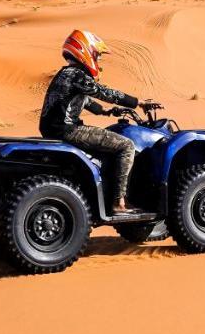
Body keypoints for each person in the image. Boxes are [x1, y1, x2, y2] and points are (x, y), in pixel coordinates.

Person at [39, 30, 142, 213]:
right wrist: (137, 102)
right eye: (97, 55)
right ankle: (119, 202)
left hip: (54, 129)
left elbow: (82, 99)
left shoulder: (65, 74)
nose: (98, 59)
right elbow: (104, 92)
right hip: (69, 130)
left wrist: (106, 111)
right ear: (85, 50)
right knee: (126, 145)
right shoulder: (77, 75)